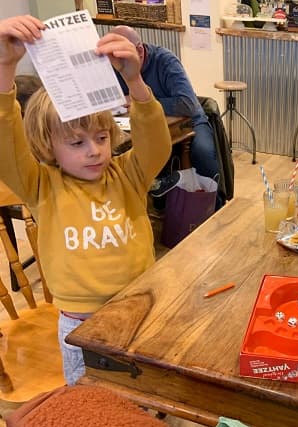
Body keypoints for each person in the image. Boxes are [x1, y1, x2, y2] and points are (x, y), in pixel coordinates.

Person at [0, 15, 172, 385]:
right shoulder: (41, 185)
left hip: (138, 308)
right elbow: (6, 143)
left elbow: (157, 143)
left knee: (144, 395)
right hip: (80, 325)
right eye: (76, 143)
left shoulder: (128, 173)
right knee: (90, 405)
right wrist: (4, 67)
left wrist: (135, 81)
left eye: (101, 138)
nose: (94, 151)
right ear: (48, 146)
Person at [110, 25, 223, 207]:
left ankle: (214, 207)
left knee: (203, 154)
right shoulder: (113, 65)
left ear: (139, 50)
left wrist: (141, 100)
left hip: (189, 122)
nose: (118, 65)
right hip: (142, 126)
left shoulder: (165, 61)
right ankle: (156, 211)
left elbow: (187, 104)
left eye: (123, 57)